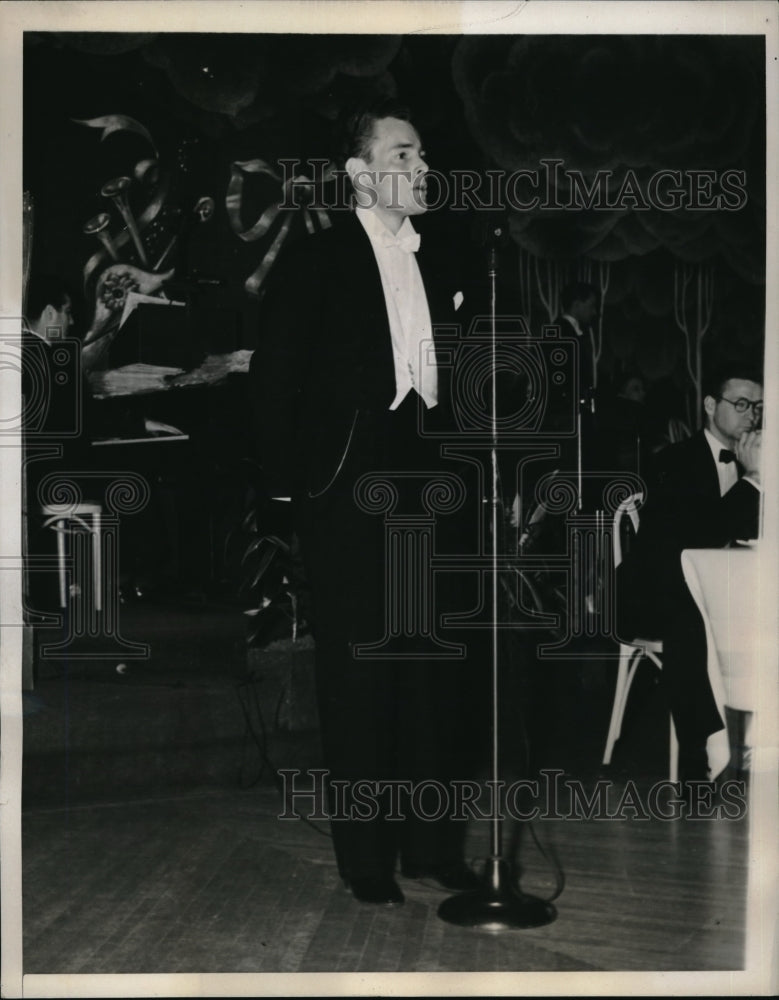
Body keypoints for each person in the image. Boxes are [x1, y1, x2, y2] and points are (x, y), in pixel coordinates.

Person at [251, 99, 483, 906]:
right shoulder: (315, 261)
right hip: (346, 485)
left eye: (423, 157)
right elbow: (273, 381)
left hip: (431, 481)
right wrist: (284, 491)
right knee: (357, 678)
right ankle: (366, 862)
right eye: (405, 156)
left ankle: (430, 848)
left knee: (431, 675)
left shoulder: (447, 258)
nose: (422, 170)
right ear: (359, 173)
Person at [616, 364, 762, 781]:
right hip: (652, 593)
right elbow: (699, 535)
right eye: (741, 404)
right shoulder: (675, 461)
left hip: (723, 596)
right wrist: (751, 480)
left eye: (759, 406)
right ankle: (700, 760)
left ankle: (756, 747)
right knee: (689, 615)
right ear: (711, 405)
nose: (752, 414)